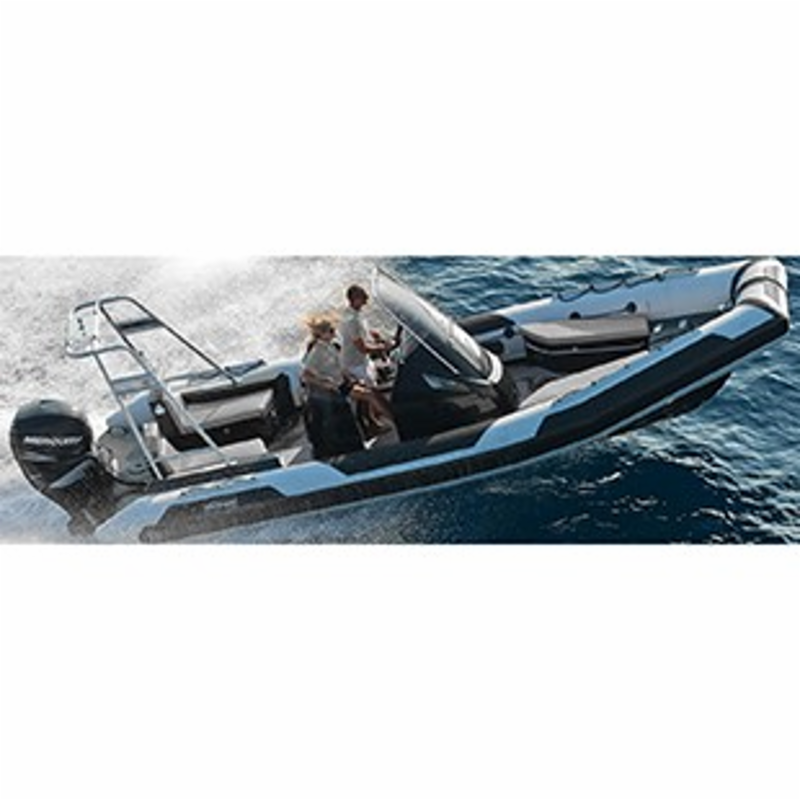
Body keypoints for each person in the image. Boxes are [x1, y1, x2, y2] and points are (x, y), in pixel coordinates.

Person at [301, 314, 393, 431]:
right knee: (369, 395)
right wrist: (325, 383)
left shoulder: (331, 346)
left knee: (369, 389)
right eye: (331, 331)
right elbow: (306, 375)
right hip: (335, 387)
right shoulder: (317, 351)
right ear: (321, 334)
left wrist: (349, 376)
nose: (334, 332)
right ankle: (394, 420)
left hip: (342, 382)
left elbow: (338, 366)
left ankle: (371, 423)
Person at [339, 284, 390, 384]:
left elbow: (362, 331)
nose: (367, 298)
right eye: (363, 296)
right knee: (373, 385)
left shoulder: (356, 312)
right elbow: (362, 348)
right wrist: (382, 348)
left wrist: (374, 335)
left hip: (363, 360)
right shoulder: (352, 320)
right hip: (355, 364)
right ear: (355, 299)